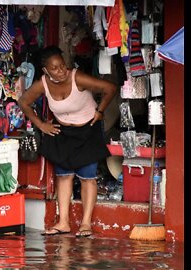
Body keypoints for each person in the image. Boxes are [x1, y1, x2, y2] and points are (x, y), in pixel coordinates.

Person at [18, 46, 116, 237]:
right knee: (64, 176)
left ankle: (86, 224)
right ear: (45, 70)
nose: (61, 71)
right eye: (55, 68)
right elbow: (24, 102)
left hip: (87, 130)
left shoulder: (76, 77)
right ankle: (63, 223)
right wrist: (41, 124)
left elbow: (109, 88)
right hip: (62, 132)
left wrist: (100, 111)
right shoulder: (43, 84)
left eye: (62, 66)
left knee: (87, 177)